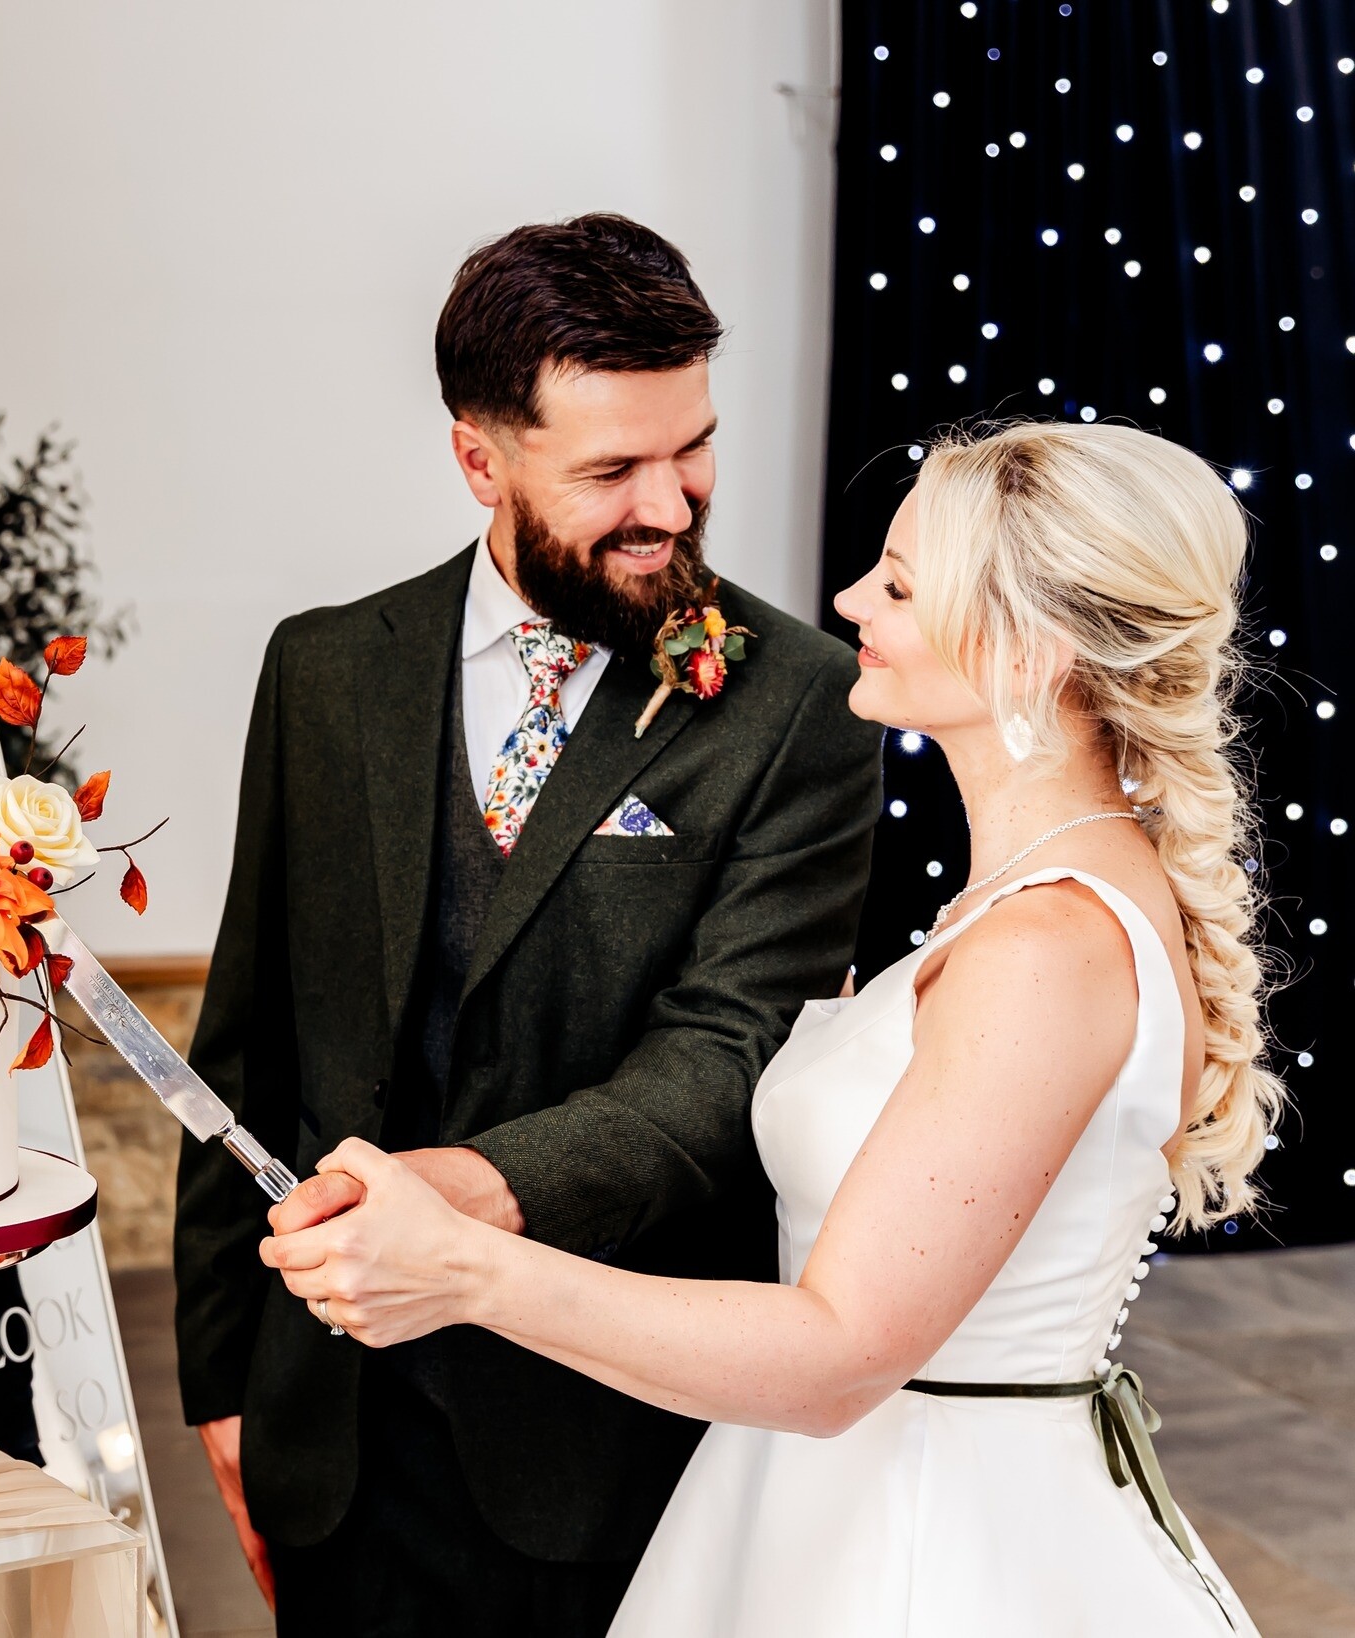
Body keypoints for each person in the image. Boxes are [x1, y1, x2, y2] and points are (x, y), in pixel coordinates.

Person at [263, 420, 1278, 1635]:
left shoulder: (1046, 949)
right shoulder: (1020, 909)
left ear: (1024, 650)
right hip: (829, 1501)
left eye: (897, 584)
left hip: (925, 1545)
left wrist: (465, 1269)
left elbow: (839, 1351)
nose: (850, 597)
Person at [173, 213, 884, 1636]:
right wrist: (222, 1383)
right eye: (612, 470)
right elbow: (246, 1035)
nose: (674, 508)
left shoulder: (801, 699)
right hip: (333, 1430)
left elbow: (725, 1058)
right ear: (479, 457)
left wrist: (468, 1198)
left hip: (612, 1440)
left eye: (693, 450)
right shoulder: (322, 669)